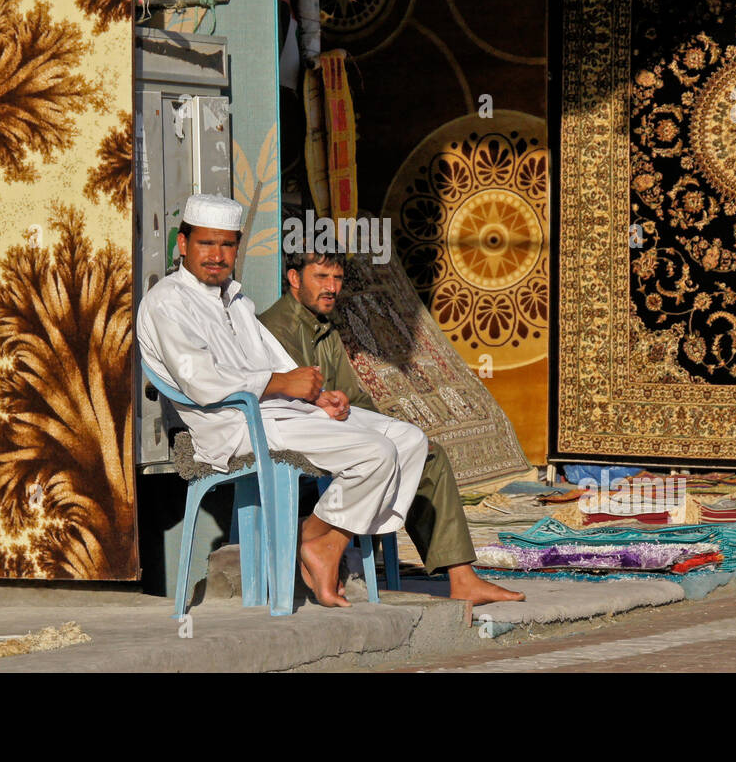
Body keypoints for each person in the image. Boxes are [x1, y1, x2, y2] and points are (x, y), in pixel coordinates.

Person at [135, 194, 428, 608]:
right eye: (206, 244)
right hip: (233, 424)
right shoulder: (166, 303)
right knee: (377, 452)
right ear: (183, 244)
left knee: (409, 440)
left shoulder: (236, 300)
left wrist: (319, 398)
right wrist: (281, 384)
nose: (217, 256)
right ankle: (322, 545)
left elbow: (275, 362)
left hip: (280, 412)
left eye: (227, 245)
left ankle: (318, 538)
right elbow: (203, 384)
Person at [258, 249, 524, 605]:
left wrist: (368, 417)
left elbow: (353, 397)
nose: (332, 288)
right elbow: (285, 399)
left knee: (425, 452)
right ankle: (321, 539)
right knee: (388, 452)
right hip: (297, 433)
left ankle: (462, 577)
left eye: (337, 279)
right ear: (294, 279)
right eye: (321, 278)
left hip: (333, 428)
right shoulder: (277, 328)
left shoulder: (324, 325)